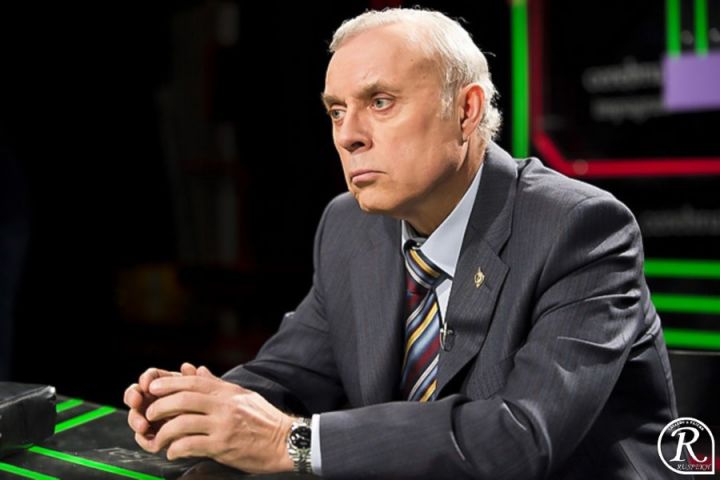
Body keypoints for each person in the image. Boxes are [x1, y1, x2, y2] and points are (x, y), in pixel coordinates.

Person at [124, 8, 680, 479]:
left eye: (380, 102)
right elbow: (292, 375)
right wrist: (198, 408)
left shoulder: (581, 229)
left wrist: (288, 443)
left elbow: (519, 436)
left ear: (466, 110)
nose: (348, 135)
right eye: (337, 111)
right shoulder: (349, 225)